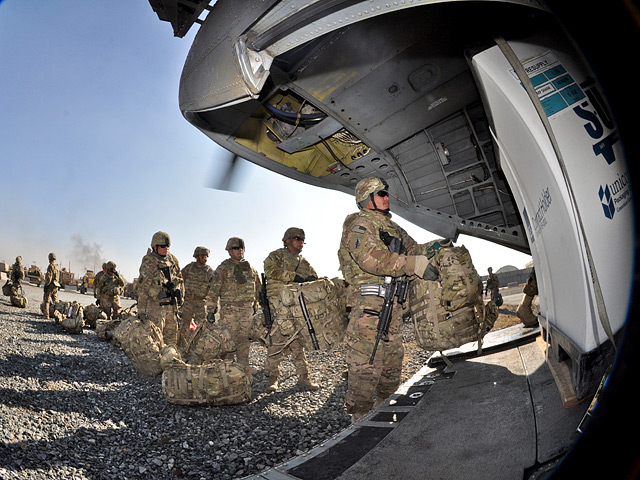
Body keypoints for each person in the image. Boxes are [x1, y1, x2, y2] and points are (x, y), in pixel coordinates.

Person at [338, 177, 437, 422]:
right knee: (366, 365)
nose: (386, 197)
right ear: (367, 198)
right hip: (369, 308)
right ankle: (359, 417)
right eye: (381, 193)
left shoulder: (393, 228)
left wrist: (435, 249)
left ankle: (384, 407)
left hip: (393, 307)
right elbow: (370, 259)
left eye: (386, 193)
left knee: (392, 364)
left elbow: (414, 249)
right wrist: (414, 265)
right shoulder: (359, 225)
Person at [263, 227, 319, 391]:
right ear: (287, 240)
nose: (301, 242)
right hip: (278, 302)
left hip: (297, 305)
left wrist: (312, 280)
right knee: (278, 338)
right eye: (297, 239)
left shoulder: (303, 262)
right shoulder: (277, 255)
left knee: (298, 339)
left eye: (302, 240)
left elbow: (314, 276)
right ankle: (273, 377)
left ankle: (303, 377)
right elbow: (269, 270)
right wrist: (293, 277)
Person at [210, 237, 261, 372]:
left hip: (246, 310)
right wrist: (210, 310)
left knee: (244, 338)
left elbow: (258, 288)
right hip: (229, 310)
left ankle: (243, 366)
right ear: (229, 251)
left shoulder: (249, 267)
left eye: (241, 248)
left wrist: (259, 304)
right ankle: (226, 367)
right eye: (236, 248)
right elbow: (214, 290)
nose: (240, 250)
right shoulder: (223, 268)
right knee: (228, 339)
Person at [137, 231, 184, 349]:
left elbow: (180, 279)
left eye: (168, 246)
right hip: (155, 307)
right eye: (163, 246)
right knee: (155, 340)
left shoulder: (173, 260)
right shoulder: (149, 262)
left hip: (171, 307)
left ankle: (170, 358)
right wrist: (141, 311)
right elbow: (142, 289)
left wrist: (180, 296)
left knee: (171, 338)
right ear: (155, 247)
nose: (166, 248)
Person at [179, 246, 215, 352]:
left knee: (201, 325)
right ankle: (182, 348)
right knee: (184, 325)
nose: (205, 258)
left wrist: (213, 305)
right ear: (197, 256)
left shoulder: (209, 272)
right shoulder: (189, 268)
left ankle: (198, 348)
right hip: (187, 301)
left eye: (206, 256)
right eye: (202, 256)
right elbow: (179, 279)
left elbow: (214, 289)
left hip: (201, 302)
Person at [42, 252, 61, 319]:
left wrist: (46, 285)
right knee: (55, 301)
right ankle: (58, 315)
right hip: (56, 285)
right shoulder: (57, 266)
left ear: (49, 259)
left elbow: (49, 277)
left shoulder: (50, 266)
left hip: (51, 285)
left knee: (46, 300)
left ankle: (46, 315)